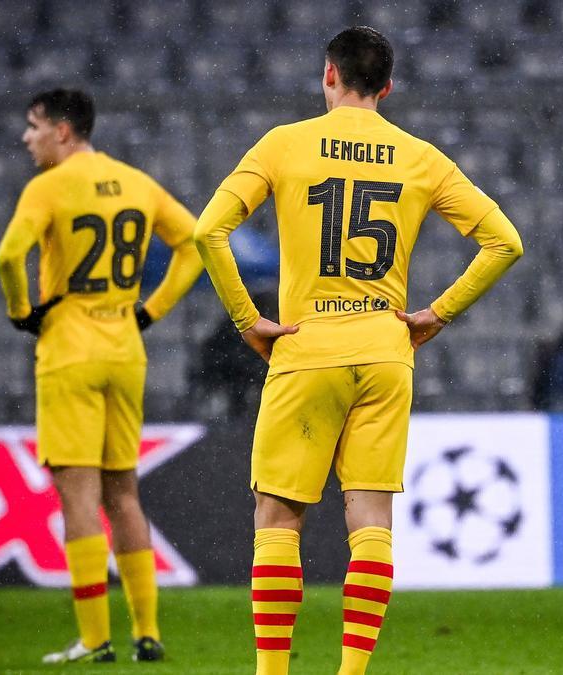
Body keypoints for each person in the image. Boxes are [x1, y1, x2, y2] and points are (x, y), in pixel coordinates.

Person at [193, 27, 523, 675]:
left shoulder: (284, 145)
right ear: (388, 86)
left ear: (328, 76)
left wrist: (247, 319)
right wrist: (438, 312)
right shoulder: (419, 156)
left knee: (278, 513)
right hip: (384, 345)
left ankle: (272, 673)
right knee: (369, 514)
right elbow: (505, 241)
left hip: (305, 342)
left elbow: (209, 229)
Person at [0, 89, 203, 663]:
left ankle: (94, 638)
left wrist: (21, 313)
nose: (27, 137)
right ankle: (148, 632)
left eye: (34, 126)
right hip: (125, 348)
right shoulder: (135, 181)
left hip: (70, 350)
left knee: (79, 499)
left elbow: (10, 255)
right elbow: (197, 244)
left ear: (63, 131)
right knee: (125, 495)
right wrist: (150, 311)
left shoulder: (48, 188)